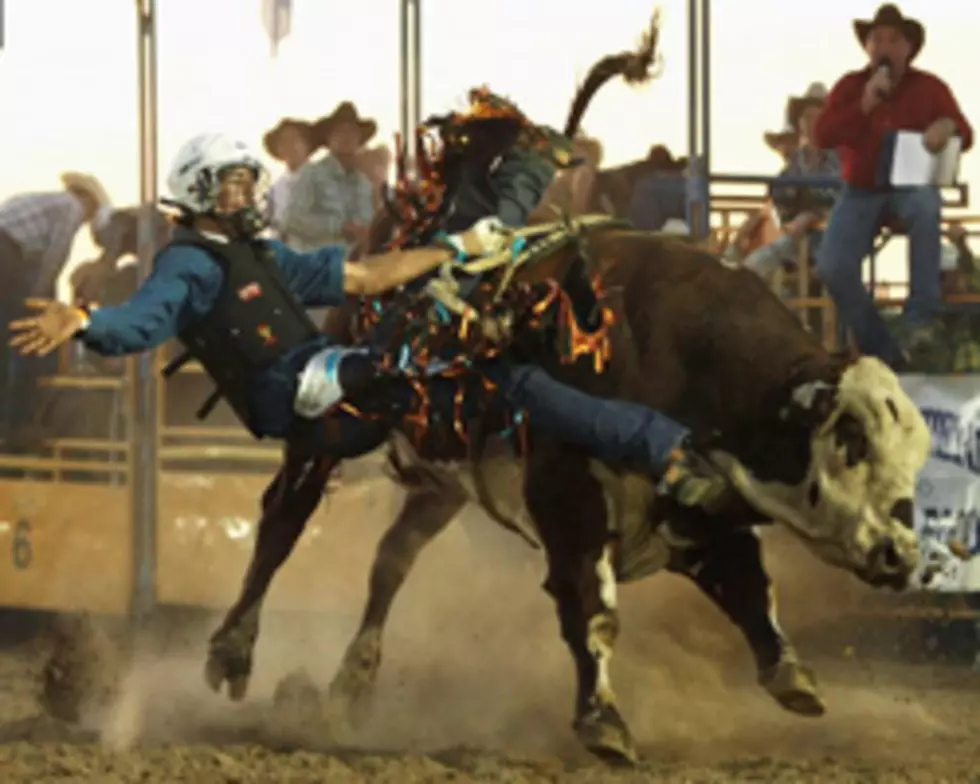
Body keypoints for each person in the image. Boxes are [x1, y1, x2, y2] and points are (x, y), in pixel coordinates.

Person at [9, 132, 729, 506]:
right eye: (232, 183)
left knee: (456, 340)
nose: (246, 192)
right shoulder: (189, 264)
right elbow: (141, 321)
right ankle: (657, 446)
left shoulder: (259, 255)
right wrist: (82, 318)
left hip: (324, 372)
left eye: (246, 180)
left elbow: (361, 273)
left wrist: (453, 247)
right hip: (293, 393)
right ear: (201, 191)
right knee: (481, 371)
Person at [812, 4, 973, 368]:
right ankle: (883, 349)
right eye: (877, 39)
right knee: (832, 265)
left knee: (925, 204)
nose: (884, 46)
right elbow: (822, 135)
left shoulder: (930, 87)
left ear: (908, 48)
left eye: (893, 39)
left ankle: (920, 320)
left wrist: (948, 127)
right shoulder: (851, 87)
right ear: (867, 47)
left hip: (909, 186)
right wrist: (865, 102)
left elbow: (966, 132)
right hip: (860, 189)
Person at [280, 102, 376, 254]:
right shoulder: (310, 174)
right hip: (316, 266)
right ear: (328, 138)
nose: (347, 138)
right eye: (340, 132)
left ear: (360, 139)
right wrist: (338, 228)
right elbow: (291, 219)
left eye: (352, 132)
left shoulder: (365, 184)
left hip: (355, 268)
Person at [261, 118, 318, 240]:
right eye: (284, 142)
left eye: (294, 139)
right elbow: (266, 222)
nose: (290, 146)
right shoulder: (276, 188)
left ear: (306, 145)